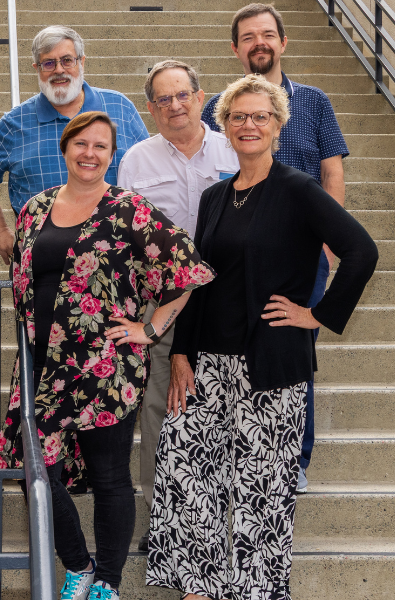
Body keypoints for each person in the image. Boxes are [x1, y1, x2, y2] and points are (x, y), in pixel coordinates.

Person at [147, 75, 377, 600]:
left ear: (277, 125)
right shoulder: (213, 198)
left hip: (270, 364)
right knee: (190, 476)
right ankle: (198, 588)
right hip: (206, 362)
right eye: (238, 116)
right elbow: (199, 280)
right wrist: (181, 351)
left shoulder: (299, 190)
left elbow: (362, 252)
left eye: (260, 116)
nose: (248, 125)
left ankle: (254, 592)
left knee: (262, 491)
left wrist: (317, 314)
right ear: (223, 126)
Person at [0, 111, 215, 600]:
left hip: (106, 365)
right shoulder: (34, 208)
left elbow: (188, 269)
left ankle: (107, 584)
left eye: (101, 147)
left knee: (111, 477)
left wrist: (151, 328)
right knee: (37, 471)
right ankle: (77, 564)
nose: (89, 154)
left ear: (112, 157)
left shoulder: (129, 209)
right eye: (81, 144)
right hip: (41, 365)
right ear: (65, 148)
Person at [201, 3, 351, 489]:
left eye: (268, 34)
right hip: (242, 245)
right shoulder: (215, 108)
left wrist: (327, 248)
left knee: (292, 349)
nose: (259, 42)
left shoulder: (313, 101)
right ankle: (240, 447)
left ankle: (295, 459)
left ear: (282, 42)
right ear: (236, 48)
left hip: (301, 251)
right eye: (248, 36)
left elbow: (332, 172)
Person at [116, 59, 239, 551]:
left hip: (232, 303)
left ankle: (226, 519)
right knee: (159, 410)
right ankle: (162, 522)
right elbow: (125, 241)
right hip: (162, 306)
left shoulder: (235, 146)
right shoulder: (136, 161)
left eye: (182, 94)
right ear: (150, 108)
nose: (174, 105)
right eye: (162, 99)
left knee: (231, 407)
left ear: (200, 95)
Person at [0, 25, 149, 261]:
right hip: (42, 260)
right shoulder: (15, 122)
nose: (59, 70)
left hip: (117, 255)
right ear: (37, 68)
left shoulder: (120, 108)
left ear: (81, 62)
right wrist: (0, 231)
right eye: (49, 63)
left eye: (67, 60)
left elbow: (148, 166)